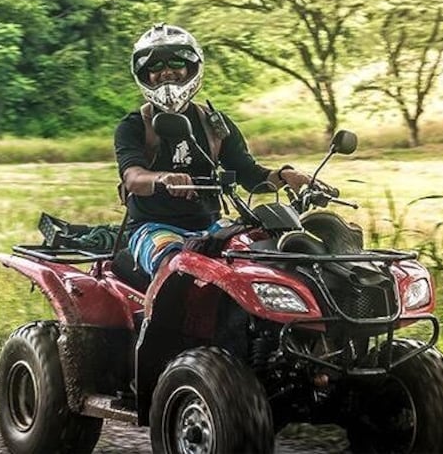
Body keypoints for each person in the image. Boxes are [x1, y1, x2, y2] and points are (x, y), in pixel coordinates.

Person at [114, 22, 313, 278]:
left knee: (257, 263)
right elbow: (133, 178)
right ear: (144, 75)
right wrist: (162, 178)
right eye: (155, 67)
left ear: (191, 68)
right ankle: (155, 319)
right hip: (152, 227)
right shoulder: (133, 126)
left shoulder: (214, 124)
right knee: (175, 267)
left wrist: (286, 176)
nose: (166, 73)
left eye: (175, 64)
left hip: (211, 227)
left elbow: (249, 175)